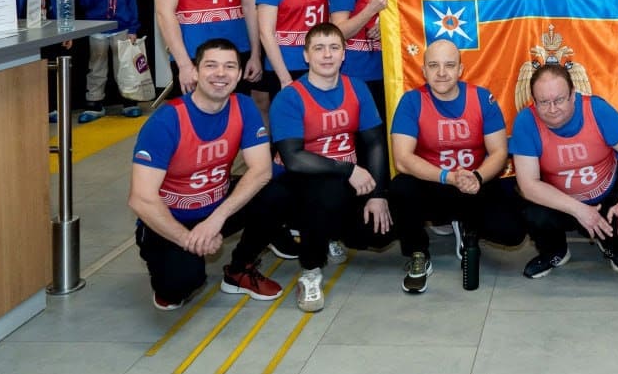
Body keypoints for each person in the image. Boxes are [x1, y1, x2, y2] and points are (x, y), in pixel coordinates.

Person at [128, 39, 284, 310]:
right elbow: (140, 199)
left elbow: (261, 171)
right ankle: (174, 264)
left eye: (229, 66)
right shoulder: (167, 120)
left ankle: (240, 269)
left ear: (239, 74)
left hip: (214, 208)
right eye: (211, 65)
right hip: (171, 219)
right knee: (179, 286)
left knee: (280, 190)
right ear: (195, 72)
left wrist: (215, 221)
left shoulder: (243, 106)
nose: (220, 73)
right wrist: (188, 240)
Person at [269, 24, 392, 312]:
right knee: (326, 191)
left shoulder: (357, 87)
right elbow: (294, 159)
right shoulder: (290, 96)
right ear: (306, 55)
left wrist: (378, 195)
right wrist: (349, 170)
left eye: (334, 48)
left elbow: (375, 143)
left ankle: (331, 234)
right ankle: (310, 271)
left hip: (342, 179)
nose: (327, 55)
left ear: (344, 54)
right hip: (299, 182)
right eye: (319, 48)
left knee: (383, 228)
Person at [389, 41, 524, 293]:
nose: (441, 72)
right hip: (434, 182)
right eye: (434, 65)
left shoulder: (482, 98)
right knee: (400, 188)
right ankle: (418, 253)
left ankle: (468, 227)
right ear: (424, 71)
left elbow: (499, 151)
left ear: (461, 69)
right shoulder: (411, 101)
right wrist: (448, 177)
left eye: (449, 65)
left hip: (474, 183)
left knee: (512, 232)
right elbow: (403, 159)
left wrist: (477, 177)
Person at [510, 64, 618, 277]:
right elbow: (528, 185)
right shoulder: (526, 122)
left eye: (559, 100)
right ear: (533, 102)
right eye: (544, 102)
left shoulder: (597, 110)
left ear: (573, 95)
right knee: (534, 215)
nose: (552, 109)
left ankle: (613, 247)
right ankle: (555, 251)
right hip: (560, 202)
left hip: (605, 192)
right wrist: (580, 210)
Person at [78, 0, 142, 123]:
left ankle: (129, 101)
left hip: (121, 28)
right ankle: (94, 103)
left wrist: (133, 28)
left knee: (124, 66)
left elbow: (131, 3)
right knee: (97, 66)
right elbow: (85, 2)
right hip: (97, 29)